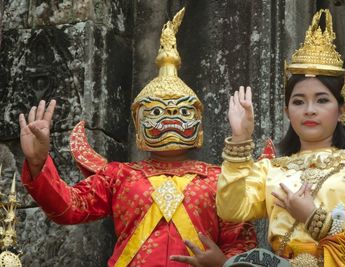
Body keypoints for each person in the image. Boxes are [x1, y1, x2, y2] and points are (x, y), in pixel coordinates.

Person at [19, 8, 256, 267]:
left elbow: (241, 242)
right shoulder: (119, 176)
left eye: (182, 111)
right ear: (138, 121)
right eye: (156, 111)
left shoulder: (220, 180)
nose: (170, 119)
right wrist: (38, 162)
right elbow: (70, 207)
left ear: (199, 122)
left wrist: (223, 264)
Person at [216, 9, 345, 267]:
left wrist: (316, 218)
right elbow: (231, 210)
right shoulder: (272, 168)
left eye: (322, 100)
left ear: (342, 110)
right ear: (287, 111)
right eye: (299, 101)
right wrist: (239, 140)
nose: (309, 110)